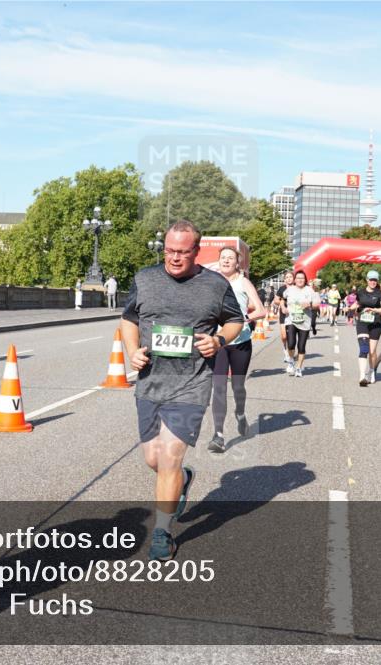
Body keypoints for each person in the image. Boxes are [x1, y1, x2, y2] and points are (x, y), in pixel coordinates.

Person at [121, 220, 243, 561]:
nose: (175, 258)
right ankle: (183, 480)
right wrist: (132, 350)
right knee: (153, 459)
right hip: (150, 381)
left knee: (170, 457)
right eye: (169, 251)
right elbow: (129, 319)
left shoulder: (215, 284)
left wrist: (218, 340)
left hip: (192, 383)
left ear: (196, 251)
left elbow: (236, 321)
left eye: (183, 252)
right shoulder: (145, 279)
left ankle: (162, 533)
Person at [207, 246, 266, 453]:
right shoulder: (212, 281)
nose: (226, 261)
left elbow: (261, 310)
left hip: (241, 342)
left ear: (236, 263)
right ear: (219, 260)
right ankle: (219, 435)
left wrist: (244, 320)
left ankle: (240, 413)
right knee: (219, 387)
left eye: (230, 258)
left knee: (238, 386)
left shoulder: (243, 282)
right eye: (223, 258)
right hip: (219, 342)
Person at [351, 270, 381, 386]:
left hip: (375, 324)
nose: (373, 282)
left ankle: (372, 371)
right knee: (364, 349)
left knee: (372, 352)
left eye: (375, 280)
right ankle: (362, 376)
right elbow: (358, 304)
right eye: (371, 280)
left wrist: (374, 310)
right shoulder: (361, 292)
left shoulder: (380, 294)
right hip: (362, 323)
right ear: (367, 280)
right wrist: (350, 308)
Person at [280, 270, 319, 377]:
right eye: (298, 278)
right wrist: (283, 308)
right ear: (295, 280)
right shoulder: (289, 290)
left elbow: (317, 304)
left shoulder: (310, 290)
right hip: (291, 320)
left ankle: (298, 367)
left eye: (302, 278)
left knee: (301, 346)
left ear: (305, 280)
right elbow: (282, 300)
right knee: (291, 343)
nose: (300, 280)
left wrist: (309, 304)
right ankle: (291, 361)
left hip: (305, 321)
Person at [274, 272, 295, 368]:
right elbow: (276, 300)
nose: (289, 278)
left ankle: (290, 353)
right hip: (283, 313)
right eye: (287, 277)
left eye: (291, 277)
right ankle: (285, 349)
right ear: (285, 279)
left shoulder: (297, 288)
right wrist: (284, 301)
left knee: (292, 336)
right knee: (283, 336)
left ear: (293, 278)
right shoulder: (282, 289)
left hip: (295, 314)